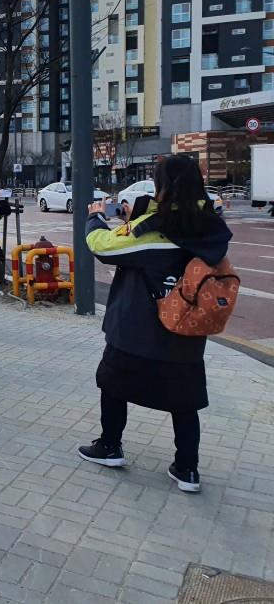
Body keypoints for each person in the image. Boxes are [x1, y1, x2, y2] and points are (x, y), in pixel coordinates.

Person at [78, 155, 232, 493]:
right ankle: (187, 469)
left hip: (137, 329)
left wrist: (95, 218)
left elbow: (102, 247)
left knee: (113, 384)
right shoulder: (211, 225)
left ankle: (110, 446)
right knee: (184, 400)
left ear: (164, 187)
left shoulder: (155, 229)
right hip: (186, 332)